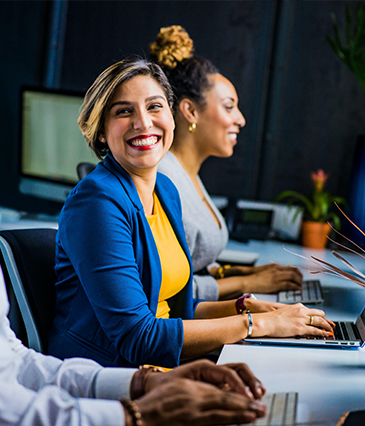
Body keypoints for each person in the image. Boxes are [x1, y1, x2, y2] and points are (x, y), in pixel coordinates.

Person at [47, 57, 334, 370]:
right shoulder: (97, 202)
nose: (143, 122)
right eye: (124, 111)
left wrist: (247, 308)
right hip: (108, 377)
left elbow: (175, 311)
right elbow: (138, 337)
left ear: (172, 116)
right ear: (101, 131)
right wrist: (257, 324)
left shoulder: (166, 191)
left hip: (163, 367)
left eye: (155, 106)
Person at [0, 264, 267, 425]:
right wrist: (136, 415)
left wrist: (142, 383)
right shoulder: (96, 201)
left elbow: (15, 362)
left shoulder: (165, 192)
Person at [152, 25, 303, 301]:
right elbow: (168, 292)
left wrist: (242, 273)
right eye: (229, 106)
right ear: (190, 111)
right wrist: (247, 284)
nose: (241, 119)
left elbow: (194, 266)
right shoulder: (164, 180)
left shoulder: (188, 174)